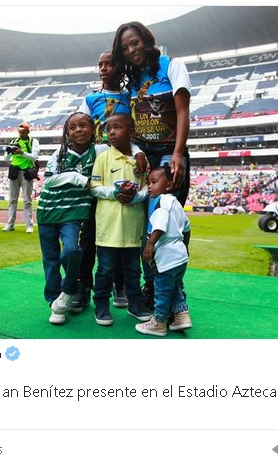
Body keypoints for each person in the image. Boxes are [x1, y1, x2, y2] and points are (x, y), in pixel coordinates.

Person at [112, 21, 192, 311]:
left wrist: (178, 153)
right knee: (147, 229)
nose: (131, 50)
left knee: (170, 228)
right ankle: (154, 293)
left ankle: (174, 298)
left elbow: (183, 111)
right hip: (144, 157)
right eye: (124, 47)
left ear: (146, 40)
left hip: (170, 156)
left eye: (134, 42)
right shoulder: (132, 81)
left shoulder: (172, 65)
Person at [71, 50, 147, 313]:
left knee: (120, 226)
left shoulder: (130, 98)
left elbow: (133, 131)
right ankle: (83, 286)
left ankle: (121, 284)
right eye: (100, 64)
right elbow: (78, 130)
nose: (103, 68)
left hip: (122, 166)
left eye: (109, 64)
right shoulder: (89, 99)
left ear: (120, 67)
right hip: (97, 166)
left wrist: (137, 152)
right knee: (90, 231)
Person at [37, 112, 109, 325]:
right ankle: (54, 302)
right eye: (73, 127)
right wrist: (79, 178)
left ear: (93, 129)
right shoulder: (58, 153)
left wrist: (139, 153)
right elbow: (48, 182)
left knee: (71, 250)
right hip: (48, 210)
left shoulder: (100, 150)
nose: (78, 130)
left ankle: (68, 290)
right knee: (50, 259)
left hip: (74, 213)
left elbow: (123, 146)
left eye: (83, 125)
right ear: (67, 133)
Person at [89, 113, 152, 326]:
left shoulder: (141, 159)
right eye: (109, 128)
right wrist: (115, 193)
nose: (112, 132)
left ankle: (136, 306)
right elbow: (95, 188)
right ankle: (101, 305)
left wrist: (135, 197)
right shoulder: (103, 158)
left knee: (133, 271)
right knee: (105, 269)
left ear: (131, 132)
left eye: (117, 127)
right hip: (108, 227)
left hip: (133, 227)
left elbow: (147, 189)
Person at [135, 165, 191, 336]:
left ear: (168, 185)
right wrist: (186, 247)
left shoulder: (161, 202)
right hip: (180, 257)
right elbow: (187, 228)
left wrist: (150, 245)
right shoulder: (176, 204)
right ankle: (182, 316)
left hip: (166, 258)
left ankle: (159, 322)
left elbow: (160, 224)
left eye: (153, 182)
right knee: (175, 287)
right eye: (148, 182)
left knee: (162, 290)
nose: (149, 186)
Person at [3, 122, 39, 233]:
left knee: (27, 200)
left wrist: (22, 152)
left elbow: (34, 157)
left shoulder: (33, 141)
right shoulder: (14, 141)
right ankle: (10, 224)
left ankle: (29, 225)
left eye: (23, 132)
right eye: (20, 132)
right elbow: (5, 158)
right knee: (12, 200)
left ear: (28, 132)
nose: (21, 134)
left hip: (26, 172)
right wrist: (10, 151)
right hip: (14, 172)